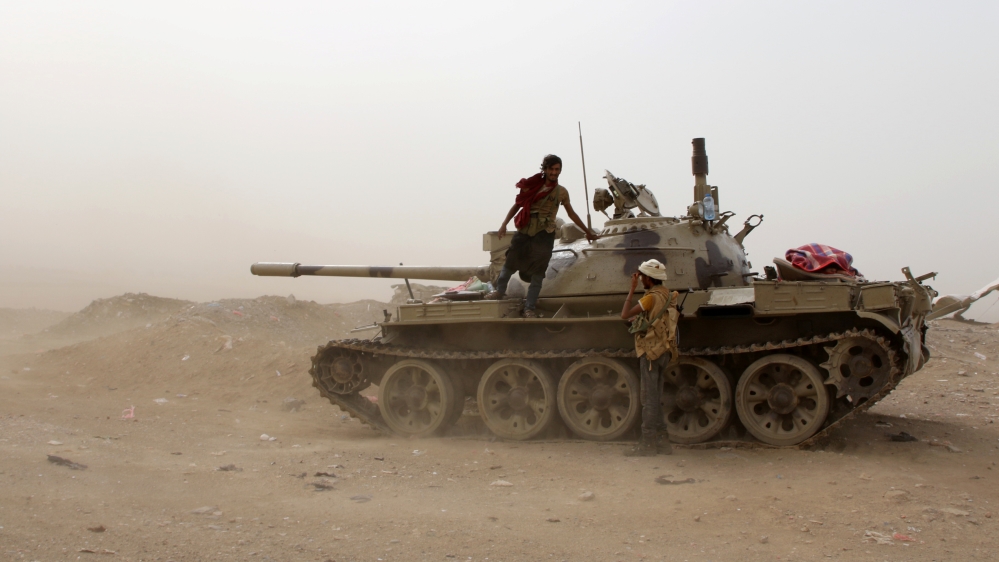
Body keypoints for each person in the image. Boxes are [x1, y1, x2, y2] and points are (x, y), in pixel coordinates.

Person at [486, 154, 598, 318]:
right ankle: (500, 291)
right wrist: (504, 224)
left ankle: (529, 307)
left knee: (538, 274)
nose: (554, 172)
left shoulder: (561, 192)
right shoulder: (532, 186)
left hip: (544, 235)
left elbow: (571, 213)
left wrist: (587, 231)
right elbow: (517, 206)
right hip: (525, 231)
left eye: (557, 169)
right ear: (545, 169)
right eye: (551, 169)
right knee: (509, 264)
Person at [620, 259, 680, 456]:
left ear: (648, 278)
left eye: (642, 277)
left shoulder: (650, 297)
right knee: (656, 396)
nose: (640, 280)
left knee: (648, 398)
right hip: (664, 349)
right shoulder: (668, 294)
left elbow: (624, 314)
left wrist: (631, 289)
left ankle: (647, 444)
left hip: (651, 351)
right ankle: (663, 443)